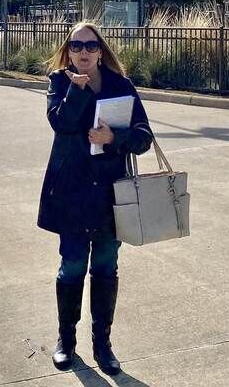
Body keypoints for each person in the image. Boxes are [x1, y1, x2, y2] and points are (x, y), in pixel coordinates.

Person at [38, 21, 153, 374]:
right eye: (76, 46)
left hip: (109, 195)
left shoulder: (122, 86)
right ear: (68, 51)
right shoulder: (60, 83)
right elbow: (61, 124)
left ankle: (103, 344)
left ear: (101, 50)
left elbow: (143, 137)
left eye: (90, 46)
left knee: (105, 266)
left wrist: (113, 140)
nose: (83, 52)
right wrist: (77, 90)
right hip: (72, 192)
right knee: (72, 265)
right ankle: (66, 341)